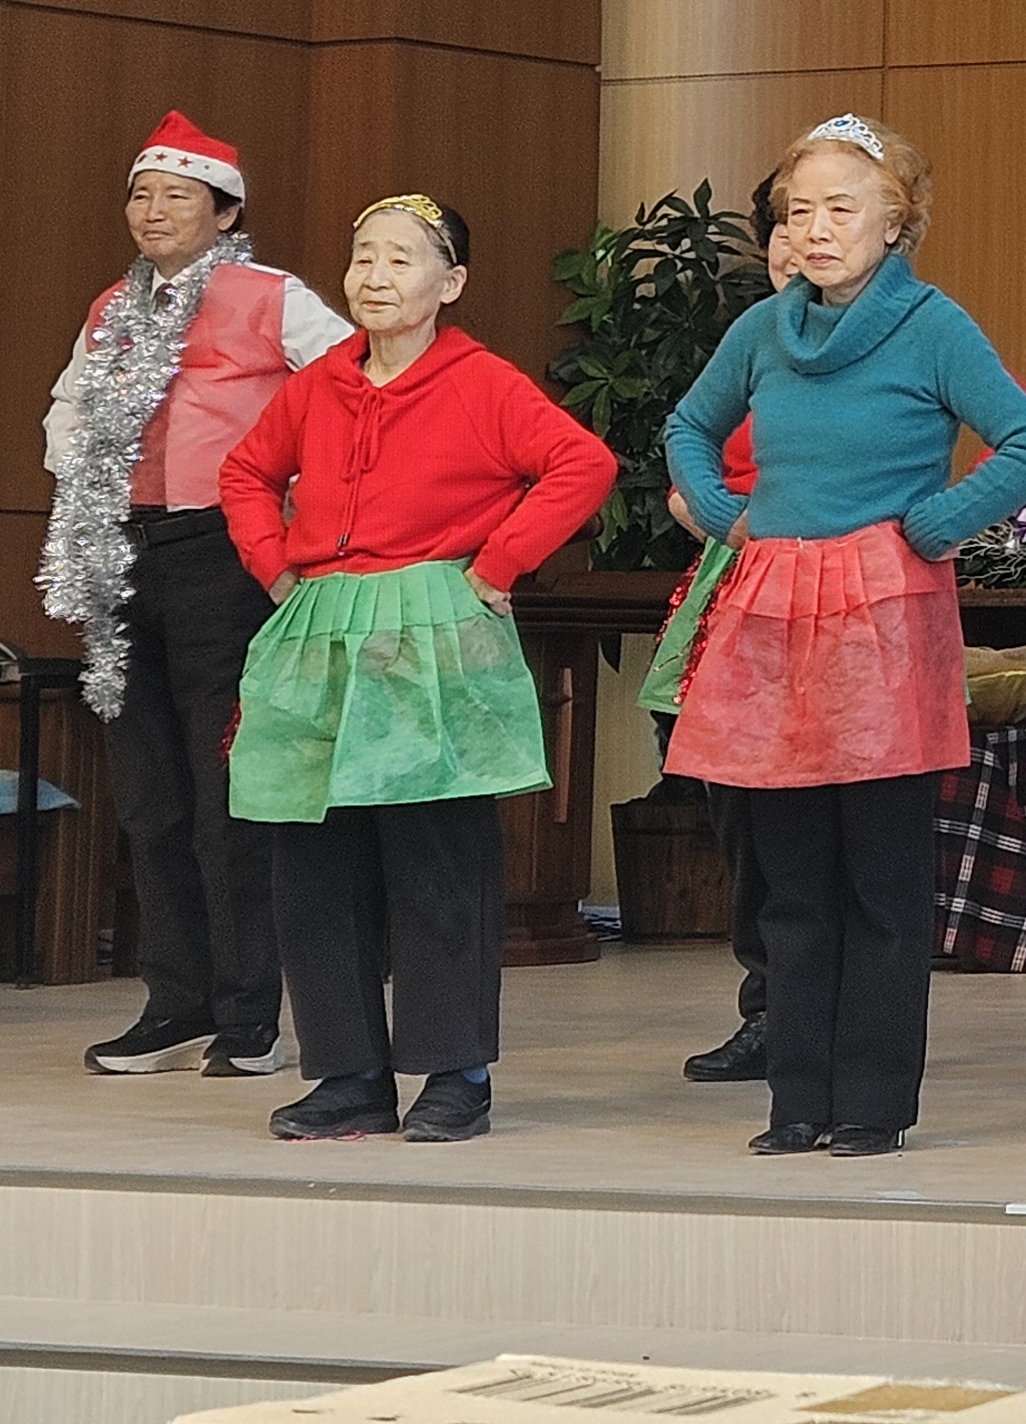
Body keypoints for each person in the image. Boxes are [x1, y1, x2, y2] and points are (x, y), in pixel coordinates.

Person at [664, 116, 1026, 1158]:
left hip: (883, 611)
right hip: (774, 610)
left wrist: (934, 523)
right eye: (800, 210)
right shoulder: (764, 330)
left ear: (897, 222)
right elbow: (688, 428)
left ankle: (871, 1105)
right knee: (790, 879)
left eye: (842, 208)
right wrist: (728, 512)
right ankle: (796, 1099)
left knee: (881, 877)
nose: (816, 228)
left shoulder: (934, 326)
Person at [217, 196, 615, 1143]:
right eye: (364, 257)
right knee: (315, 857)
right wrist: (275, 567)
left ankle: (453, 1073)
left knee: (437, 857)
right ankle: (348, 1074)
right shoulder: (320, 383)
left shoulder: (482, 383)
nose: (376, 276)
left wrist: (498, 563)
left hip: (432, 625)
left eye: (402, 259)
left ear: (452, 282)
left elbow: (582, 464)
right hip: (324, 629)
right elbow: (245, 473)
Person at [44, 113, 349, 1080]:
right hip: (121, 551)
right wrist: (83, 477)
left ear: (226, 214)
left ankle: (249, 1014)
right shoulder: (112, 306)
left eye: (177, 195)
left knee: (227, 793)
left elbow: (354, 388)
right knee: (149, 795)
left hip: (224, 554)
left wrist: (297, 502)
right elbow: (68, 404)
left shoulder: (271, 295)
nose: (153, 211)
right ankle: (174, 1002)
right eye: (141, 194)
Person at [653, 175, 789, 1086]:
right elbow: (688, 439)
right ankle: (768, 1005)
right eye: (783, 223)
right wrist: (707, 507)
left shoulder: (906, 334)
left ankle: (817, 1008)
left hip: (828, 581)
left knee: (803, 810)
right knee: (736, 804)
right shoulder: (750, 339)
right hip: (730, 577)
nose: (797, 241)